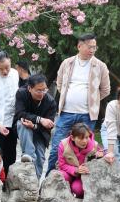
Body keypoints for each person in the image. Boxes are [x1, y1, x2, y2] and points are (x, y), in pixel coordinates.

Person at [46, 34, 110, 175]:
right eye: (89, 47)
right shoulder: (67, 63)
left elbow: (105, 90)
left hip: (87, 115)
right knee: (57, 147)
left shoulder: (100, 66)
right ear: (79, 46)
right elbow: (60, 84)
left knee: (85, 150)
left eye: (94, 47)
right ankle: (49, 178)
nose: (92, 50)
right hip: (66, 113)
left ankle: (80, 181)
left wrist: (92, 100)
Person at [14, 74, 58, 178]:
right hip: (24, 128)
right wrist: (40, 119)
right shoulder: (21, 93)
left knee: (40, 158)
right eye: (38, 90)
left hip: (40, 133)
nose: (42, 93)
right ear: (30, 88)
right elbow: (20, 113)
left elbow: (49, 126)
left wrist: (34, 126)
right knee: (22, 123)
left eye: (44, 90)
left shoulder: (51, 102)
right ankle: (29, 154)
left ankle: (35, 181)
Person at [57, 122, 114, 198]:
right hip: (68, 172)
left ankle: (78, 196)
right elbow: (62, 165)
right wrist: (76, 170)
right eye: (81, 138)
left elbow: (103, 154)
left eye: (87, 137)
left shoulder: (94, 145)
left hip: (84, 175)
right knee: (61, 177)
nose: (84, 141)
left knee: (78, 189)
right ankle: (64, 195)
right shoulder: (63, 145)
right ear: (72, 138)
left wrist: (102, 155)